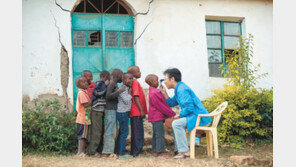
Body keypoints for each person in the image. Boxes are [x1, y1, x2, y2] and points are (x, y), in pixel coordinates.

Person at [159, 68, 212, 159]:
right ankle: (181, 150)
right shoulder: (179, 88)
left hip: (200, 117)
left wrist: (179, 116)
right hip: (194, 116)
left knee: (176, 123)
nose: (164, 82)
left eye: (165, 79)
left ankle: (184, 151)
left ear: (172, 79)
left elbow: (189, 108)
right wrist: (165, 93)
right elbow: (171, 103)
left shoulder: (181, 89)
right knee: (177, 123)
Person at [145, 74, 176, 158]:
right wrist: (171, 113)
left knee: (156, 134)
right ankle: (160, 152)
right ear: (151, 82)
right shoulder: (155, 93)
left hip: (154, 117)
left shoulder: (153, 91)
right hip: (157, 117)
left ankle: (155, 151)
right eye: (156, 80)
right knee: (160, 135)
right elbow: (162, 106)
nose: (158, 82)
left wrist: (161, 92)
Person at [102, 69, 125, 158]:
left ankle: (110, 151)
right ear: (117, 76)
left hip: (113, 110)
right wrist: (119, 91)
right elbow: (108, 96)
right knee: (110, 130)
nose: (122, 78)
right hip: (110, 109)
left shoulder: (114, 84)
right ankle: (107, 152)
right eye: (121, 76)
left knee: (113, 131)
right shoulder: (112, 84)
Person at [127, 65, 148, 157]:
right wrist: (141, 111)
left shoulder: (134, 82)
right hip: (136, 111)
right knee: (137, 132)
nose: (140, 73)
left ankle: (134, 151)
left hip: (135, 111)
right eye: (138, 71)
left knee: (136, 132)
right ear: (133, 74)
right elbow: (135, 97)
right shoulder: (135, 82)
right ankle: (137, 152)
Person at [88, 71, 110, 156]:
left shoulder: (103, 84)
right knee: (96, 131)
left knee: (101, 131)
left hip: (101, 110)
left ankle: (99, 149)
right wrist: (105, 85)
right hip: (96, 110)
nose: (109, 79)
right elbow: (98, 93)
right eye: (108, 77)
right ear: (104, 76)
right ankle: (92, 151)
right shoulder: (99, 83)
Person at [115, 73, 134, 159]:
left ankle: (118, 151)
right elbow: (126, 100)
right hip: (122, 113)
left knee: (122, 132)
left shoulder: (126, 88)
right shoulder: (122, 88)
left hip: (124, 112)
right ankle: (121, 154)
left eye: (132, 78)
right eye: (129, 78)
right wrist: (130, 94)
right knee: (124, 133)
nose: (131, 80)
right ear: (124, 80)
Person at [75, 76, 92, 157]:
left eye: (86, 81)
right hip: (83, 119)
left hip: (84, 118)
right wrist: (93, 99)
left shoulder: (83, 91)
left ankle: (82, 151)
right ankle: (80, 152)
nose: (86, 83)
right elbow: (86, 104)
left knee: (83, 135)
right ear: (78, 85)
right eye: (83, 82)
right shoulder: (81, 93)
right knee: (82, 136)